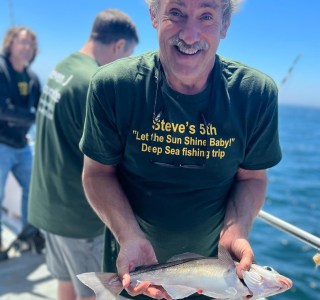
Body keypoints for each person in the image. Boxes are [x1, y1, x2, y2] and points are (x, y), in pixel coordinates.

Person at [79, 0, 281, 299]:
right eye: (176, 12)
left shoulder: (255, 94)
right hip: (131, 272)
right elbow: (97, 174)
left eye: (206, 16)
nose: (189, 34)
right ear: (153, 15)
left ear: (224, 25)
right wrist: (129, 235)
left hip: (218, 279)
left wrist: (235, 232)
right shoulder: (113, 86)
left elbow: (252, 177)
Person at [28, 9, 139, 300]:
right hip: (78, 219)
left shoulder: (63, 68)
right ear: (119, 46)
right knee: (95, 294)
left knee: (65, 282)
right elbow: (114, 162)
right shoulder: (92, 83)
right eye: (127, 55)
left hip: (48, 206)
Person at [0, 26, 41, 250]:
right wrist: (32, 117)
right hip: (2, 145)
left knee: (32, 191)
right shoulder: (2, 70)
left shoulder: (32, 78)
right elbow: (2, 109)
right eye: (22, 42)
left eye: (30, 44)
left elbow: (43, 108)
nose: (27, 47)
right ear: (10, 44)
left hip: (22, 145)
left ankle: (28, 236)